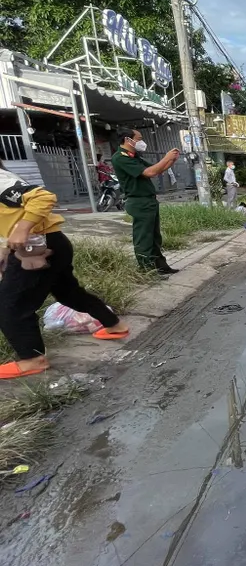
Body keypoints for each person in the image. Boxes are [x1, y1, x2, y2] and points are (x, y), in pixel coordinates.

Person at [0, 159, 129, 380]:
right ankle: (114, 325)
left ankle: (32, 359)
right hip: (52, 242)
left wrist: (22, 229)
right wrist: (6, 248)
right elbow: (13, 214)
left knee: (10, 304)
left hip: (37, 247)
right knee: (70, 293)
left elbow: (43, 197)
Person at [111, 128, 180, 276]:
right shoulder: (120, 157)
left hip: (148, 201)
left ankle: (161, 266)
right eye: (139, 138)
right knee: (144, 238)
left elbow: (156, 170)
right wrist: (166, 157)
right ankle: (147, 271)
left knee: (154, 237)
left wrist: (171, 160)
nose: (142, 142)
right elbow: (150, 172)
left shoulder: (134, 156)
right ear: (127, 139)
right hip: (139, 202)